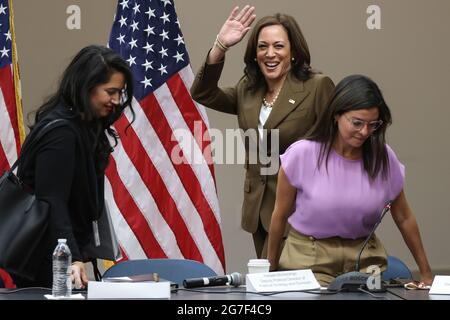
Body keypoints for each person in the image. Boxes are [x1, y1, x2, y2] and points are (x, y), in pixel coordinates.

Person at [191, 5, 335, 258]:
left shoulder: (316, 86)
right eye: (262, 46)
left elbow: (334, 148)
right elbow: (203, 92)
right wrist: (220, 47)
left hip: (301, 209)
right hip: (258, 209)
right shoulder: (248, 88)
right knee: (269, 286)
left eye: (279, 46)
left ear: (293, 51)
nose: (270, 54)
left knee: (297, 289)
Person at [267, 74, 433, 286]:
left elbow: (404, 218)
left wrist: (426, 273)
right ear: (336, 115)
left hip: (364, 258)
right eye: (357, 123)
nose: (365, 132)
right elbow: (279, 216)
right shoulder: (302, 154)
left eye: (373, 124)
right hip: (309, 258)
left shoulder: (383, 157)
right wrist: (269, 271)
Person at [12, 45, 134, 288]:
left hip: (59, 254)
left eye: (120, 93)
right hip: (46, 261)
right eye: (110, 91)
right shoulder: (62, 134)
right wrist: (72, 257)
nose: (117, 101)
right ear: (86, 86)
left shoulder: (84, 127)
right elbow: (52, 202)